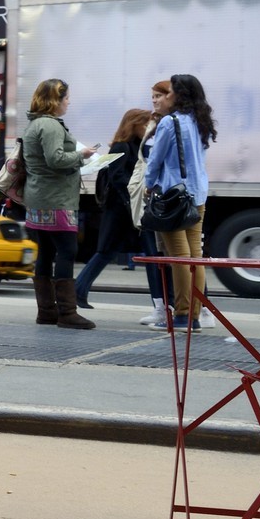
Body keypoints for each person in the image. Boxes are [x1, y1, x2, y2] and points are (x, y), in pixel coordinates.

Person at [20, 79, 98, 330]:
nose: (69, 102)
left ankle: (46, 311)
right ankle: (67, 312)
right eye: (66, 98)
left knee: (45, 252)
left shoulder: (34, 124)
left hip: (38, 197)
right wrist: (82, 155)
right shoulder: (51, 126)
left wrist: (79, 160)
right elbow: (55, 159)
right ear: (55, 100)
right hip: (57, 200)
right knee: (66, 250)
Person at [143, 74, 217, 331]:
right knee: (195, 255)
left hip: (172, 196)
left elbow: (155, 161)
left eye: (172, 90)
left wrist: (148, 184)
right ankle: (195, 315)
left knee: (179, 257)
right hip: (197, 194)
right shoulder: (200, 121)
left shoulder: (169, 122)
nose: (168, 94)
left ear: (180, 94)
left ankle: (184, 315)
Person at [73, 108, 152, 310]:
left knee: (109, 252)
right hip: (120, 209)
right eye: (145, 124)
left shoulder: (135, 146)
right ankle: (78, 290)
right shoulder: (122, 146)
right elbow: (117, 178)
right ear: (134, 124)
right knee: (106, 251)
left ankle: (79, 290)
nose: (148, 128)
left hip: (125, 209)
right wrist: (136, 192)